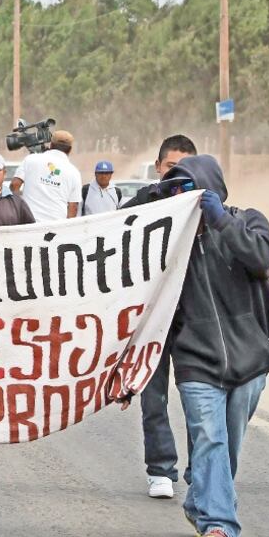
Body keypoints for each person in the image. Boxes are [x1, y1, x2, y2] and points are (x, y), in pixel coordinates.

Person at [160, 155, 269, 537]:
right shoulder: (168, 244)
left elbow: (260, 261)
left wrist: (221, 223)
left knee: (226, 445)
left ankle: (201, 501)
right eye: (174, 189)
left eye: (189, 186)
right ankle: (220, 526)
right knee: (210, 439)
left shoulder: (249, 221)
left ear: (212, 187)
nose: (181, 195)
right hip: (196, 362)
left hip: (249, 361)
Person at [122, 134, 198, 500]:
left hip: (196, 318)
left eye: (186, 166)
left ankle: (201, 471)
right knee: (153, 398)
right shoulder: (140, 203)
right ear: (158, 168)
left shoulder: (207, 206)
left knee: (200, 399)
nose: (179, 174)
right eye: (171, 167)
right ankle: (160, 470)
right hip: (152, 318)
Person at [10, 130, 81, 222]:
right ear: (70, 150)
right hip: (56, 227)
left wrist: (18, 208)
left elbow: (14, 185)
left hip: (28, 222)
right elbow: (73, 207)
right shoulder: (74, 172)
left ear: (51, 145)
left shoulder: (31, 159)